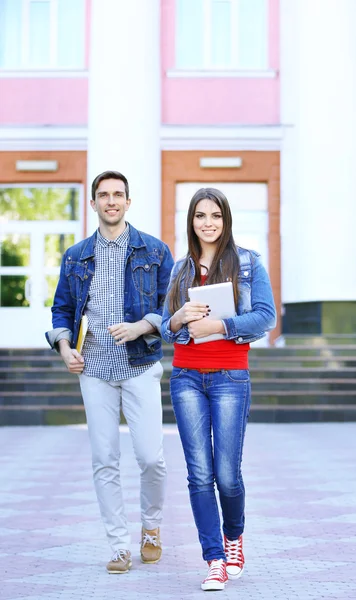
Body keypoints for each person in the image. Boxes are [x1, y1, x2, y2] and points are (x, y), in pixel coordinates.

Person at [46, 170, 174, 573]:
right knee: (104, 458)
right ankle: (119, 545)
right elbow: (62, 309)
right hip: (95, 368)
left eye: (118, 194)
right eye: (104, 195)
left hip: (141, 365)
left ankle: (150, 527)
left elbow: (170, 309)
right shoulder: (76, 255)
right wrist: (66, 347)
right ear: (94, 203)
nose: (111, 201)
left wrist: (140, 326)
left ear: (128, 202)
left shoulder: (155, 251)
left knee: (151, 458)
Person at [161, 187, 276, 591]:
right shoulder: (179, 270)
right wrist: (177, 317)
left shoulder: (247, 263)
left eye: (215, 215)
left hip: (230, 377)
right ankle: (213, 559)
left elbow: (266, 316)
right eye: (199, 216)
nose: (207, 223)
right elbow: (164, 326)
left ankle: (234, 538)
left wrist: (220, 326)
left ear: (225, 220)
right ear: (191, 221)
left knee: (227, 474)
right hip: (186, 377)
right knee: (198, 474)